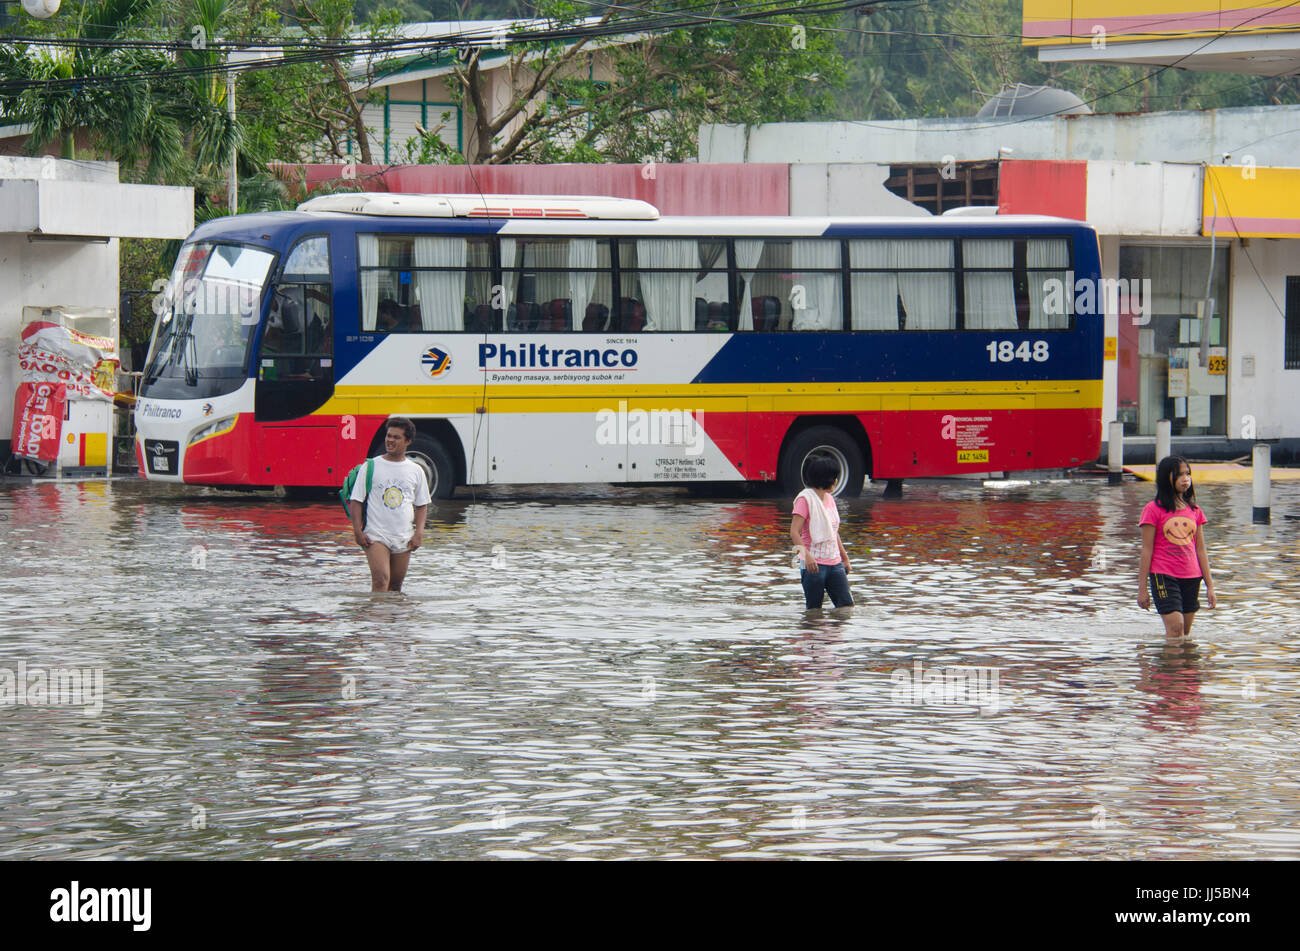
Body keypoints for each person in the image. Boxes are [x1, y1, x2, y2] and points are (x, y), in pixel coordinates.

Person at [1137, 454, 1216, 639]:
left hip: (1191, 576)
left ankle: (1178, 667)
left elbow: (1201, 550)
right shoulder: (1152, 509)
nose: (1185, 478)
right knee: (1176, 627)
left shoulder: (1195, 511)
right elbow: (1146, 550)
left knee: (1184, 633)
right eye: (1179, 475)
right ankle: (1171, 667)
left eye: (1187, 474)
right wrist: (1142, 589)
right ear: (1167, 478)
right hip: (1163, 575)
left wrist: (1210, 586)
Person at [351, 416, 430, 592]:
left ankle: (393, 619)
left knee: (395, 587)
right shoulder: (371, 466)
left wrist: (418, 533)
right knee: (381, 580)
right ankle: (375, 618)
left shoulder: (416, 470)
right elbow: (356, 500)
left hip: (403, 537)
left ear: (408, 441)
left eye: (396, 437)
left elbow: (422, 505)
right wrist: (357, 531)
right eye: (389, 436)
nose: (390, 440)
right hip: (376, 535)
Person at [790, 454, 853, 609]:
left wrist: (844, 558)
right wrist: (807, 557)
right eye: (834, 477)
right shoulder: (804, 500)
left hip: (834, 563)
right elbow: (794, 532)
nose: (836, 481)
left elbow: (833, 531)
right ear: (827, 479)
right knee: (814, 612)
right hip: (814, 565)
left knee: (846, 607)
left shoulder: (829, 499)